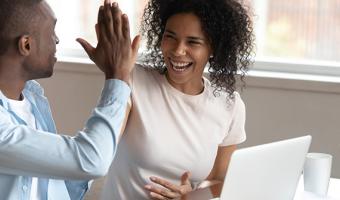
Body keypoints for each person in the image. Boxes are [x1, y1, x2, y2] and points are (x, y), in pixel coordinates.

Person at [100, 0, 254, 199]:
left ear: (213, 48)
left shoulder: (230, 106)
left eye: (192, 42)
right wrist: (114, 72)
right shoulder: (132, 79)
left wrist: (192, 195)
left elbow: (221, 180)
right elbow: (103, 146)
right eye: (170, 37)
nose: (178, 50)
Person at [0, 0, 140, 199]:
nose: (56, 40)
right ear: (26, 44)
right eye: (51, 31)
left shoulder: (32, 100)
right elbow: (90, 161)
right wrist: (117, 76)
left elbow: (64, 187)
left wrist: (120, 82)